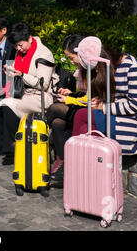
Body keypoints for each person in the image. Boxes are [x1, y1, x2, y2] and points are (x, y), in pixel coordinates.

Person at [0, 22, 56, 165]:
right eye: (16, 46)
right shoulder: (20, 52)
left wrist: (21, 74)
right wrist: (10, 72)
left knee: (7, 106)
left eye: (20, 45)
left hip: (40, 97)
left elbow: (43, 84)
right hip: (22, 93)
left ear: (30, 38)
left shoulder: (44, 54)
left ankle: (12, 148)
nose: (18, 49)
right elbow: (17, 77)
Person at [72, 36, 137, 155]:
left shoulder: (132, 67)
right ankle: (88, 168)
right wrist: (100, 100)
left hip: (133, 123)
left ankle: (74, 161)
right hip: (116, 117)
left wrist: (104, 107)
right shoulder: (112, 66)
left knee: (81, 115)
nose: (98, 72)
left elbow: (135, 105)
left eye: (98, 68)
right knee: (86, 131)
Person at [46, 34, 88, 187]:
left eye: (72, 58)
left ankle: (40, 134)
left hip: (90, 112)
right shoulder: (83, 69)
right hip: (83, 107)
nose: (71, 62)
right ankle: (62, 161)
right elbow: (84, 95)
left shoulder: (92, 68)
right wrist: (71, 94)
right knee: (57, 123)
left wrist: (69, 99)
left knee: (54, 108)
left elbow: (90, 100)